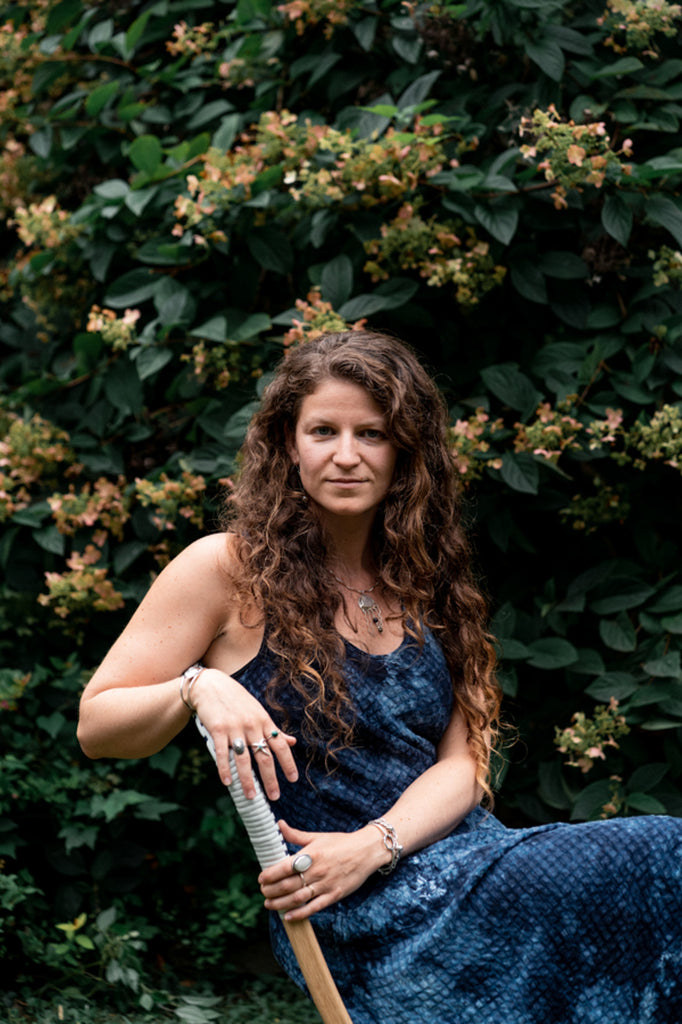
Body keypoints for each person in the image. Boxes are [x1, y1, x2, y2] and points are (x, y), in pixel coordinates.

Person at [78, 330, 682, 1023]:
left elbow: (465, 764)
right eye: (323, 431)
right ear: (288, 444)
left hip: (457, 865)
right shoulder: (227, 569)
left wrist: (376, 844)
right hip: (352, 912)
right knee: (666, 851)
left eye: (372, 433)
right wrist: (197, 686)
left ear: (405, 454)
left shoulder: (428, 582)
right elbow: (98, 726)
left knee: (662, 879)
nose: (345, 454)